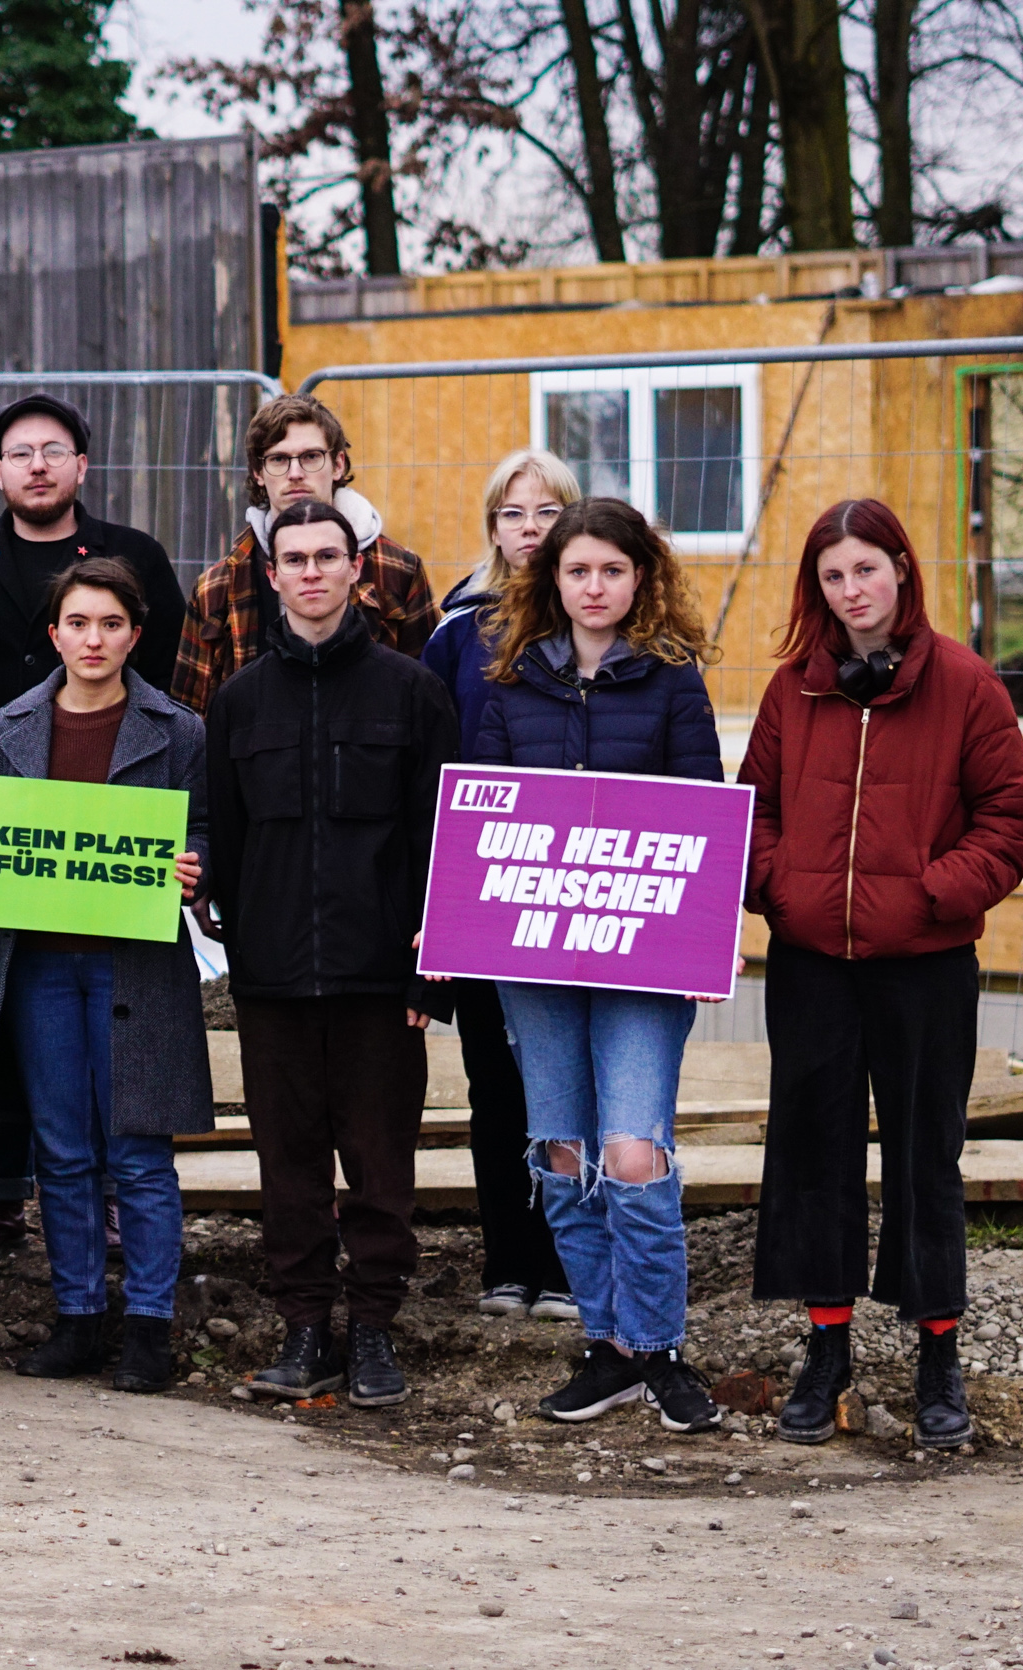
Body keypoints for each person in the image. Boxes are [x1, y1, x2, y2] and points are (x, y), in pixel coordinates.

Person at [743, 500, 1023, 1450]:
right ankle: (826, 1347)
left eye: (866, 569)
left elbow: (1009, 818)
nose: (851, 591)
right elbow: (751, 810)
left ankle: (936, 1350)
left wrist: (933, 895)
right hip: (812, 965)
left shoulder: (964, 684)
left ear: (902, 570)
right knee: (812, 1151)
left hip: (925, 966)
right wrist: (781, 889)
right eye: (833, 576)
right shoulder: (798, 688)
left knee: (925, 1159)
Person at [470, 496, 728, 1433]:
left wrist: (703, 935)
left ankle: (657, 1348)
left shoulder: (672, 683)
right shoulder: (510, 682)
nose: (593, 587)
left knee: (631, 1152)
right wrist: (452, 922)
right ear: (553, 580)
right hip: (534, 962)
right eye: (577, 571)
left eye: (611, 571)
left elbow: (703, 815)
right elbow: (484, 821)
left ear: (640, 578)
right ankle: (611, 1346)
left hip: (641, 959)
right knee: (564, 1154)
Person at [0, 392, 185, 1258]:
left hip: (115, 843)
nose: (37, 464)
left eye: (54, 450)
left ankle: (107, 1201)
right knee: (5, 1017)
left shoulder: (133, 557)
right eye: (20, 452)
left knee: (107, 1035)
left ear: (81, 466)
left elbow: (169, 683)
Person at [206, 500, 454, 1408]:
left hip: (382, 978)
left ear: (358, 569)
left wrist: (434, 971)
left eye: (328, 556)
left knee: (381, 1163)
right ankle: (305, 1327)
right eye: (294, 558)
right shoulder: (237, 704)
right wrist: (233, 941)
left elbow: (443, 844)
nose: (311, 572)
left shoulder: (414, 693)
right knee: (290, 1164)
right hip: (272, 980)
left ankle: (376, 1331)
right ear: (270, 576)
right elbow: (222, 848)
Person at [0, 558, 211, 1393]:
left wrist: (194, 864)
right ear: (55, 633)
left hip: (133, 961)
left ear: (135, 634)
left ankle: (148, 1327)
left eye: (109, 624)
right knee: (60, 1151)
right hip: (38, 966)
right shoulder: (12, 724)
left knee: (137, 1152)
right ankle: (77, 1319)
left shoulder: (178, 730)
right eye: (77, 623)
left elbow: (202, 826)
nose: (92, 639)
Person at [417, 448, 583, 1324]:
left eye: (546, 512)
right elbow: (432, 778)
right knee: (495, 1081)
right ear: (492, 528)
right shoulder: (456, 634)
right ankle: (508, 1260)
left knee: (565, 1083)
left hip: (575, 898)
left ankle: (567, 1260)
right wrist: (438, 913)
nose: (529, 530)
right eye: (512, 514)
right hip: (486, 897)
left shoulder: (600, 617)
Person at [172, 391, 435, 717]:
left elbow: (427, 702)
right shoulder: (216, 587)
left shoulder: (398, 570)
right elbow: (189, 722)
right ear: (258, 472)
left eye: (311, 456)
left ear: (338, 464)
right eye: (279, 460)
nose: (295, 473)